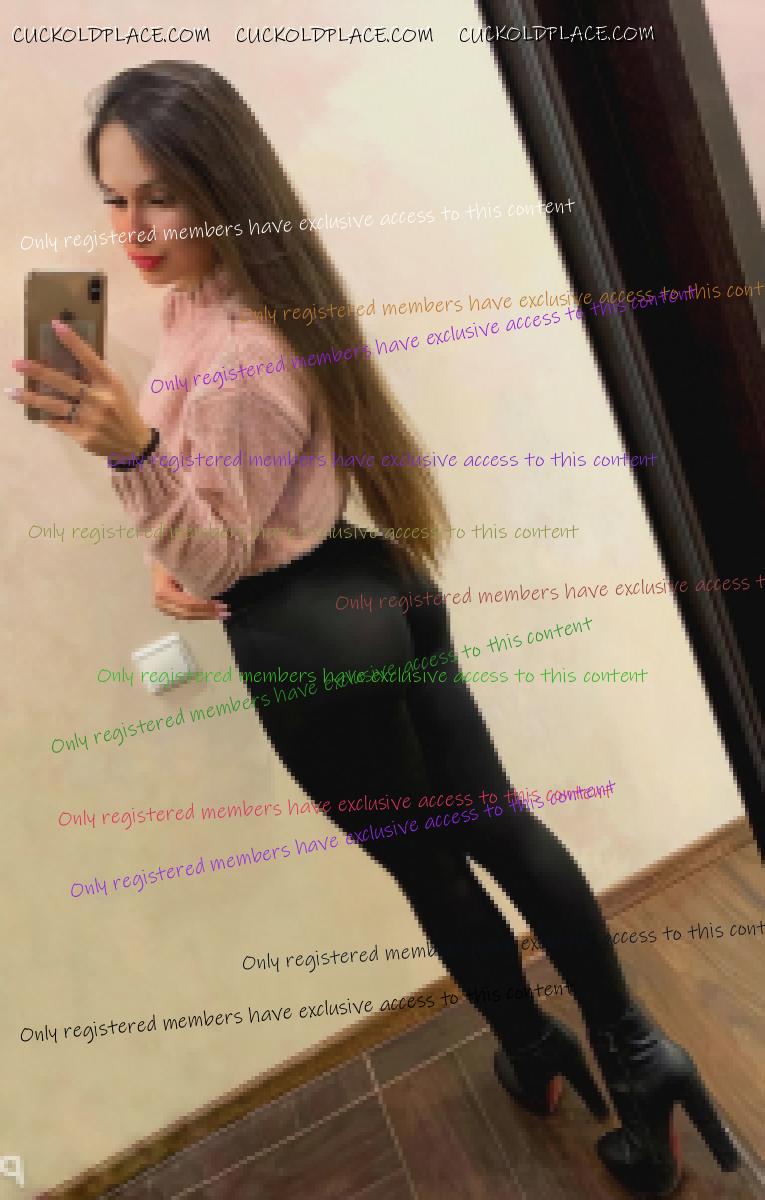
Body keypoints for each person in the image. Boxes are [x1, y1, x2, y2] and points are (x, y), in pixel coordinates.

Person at [10, 62, 740, 1197]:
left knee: (432, 870)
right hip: (376, 582)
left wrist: (132, 458)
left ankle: (534, 1047)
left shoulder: (237, 349)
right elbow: (224, 510)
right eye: (115, 199)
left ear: (222, 183)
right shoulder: (233, 290)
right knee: (497, 824)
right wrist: (172, 530)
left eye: (162, 195)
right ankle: (640, 1056)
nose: (134, 230)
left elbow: (219, 547)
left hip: (308, 636)